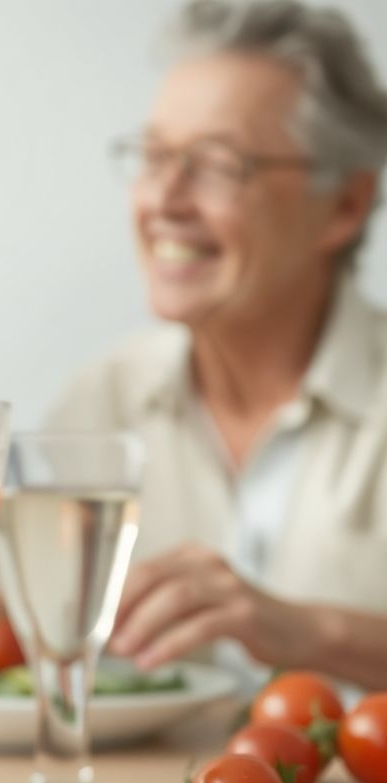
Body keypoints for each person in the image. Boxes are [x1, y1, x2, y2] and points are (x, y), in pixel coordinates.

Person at [48, 0, 387, 690]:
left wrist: (305, 632)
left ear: (346, 205)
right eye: (154, 157)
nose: (164, 198)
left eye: (216, 164)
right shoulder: (99, 403)